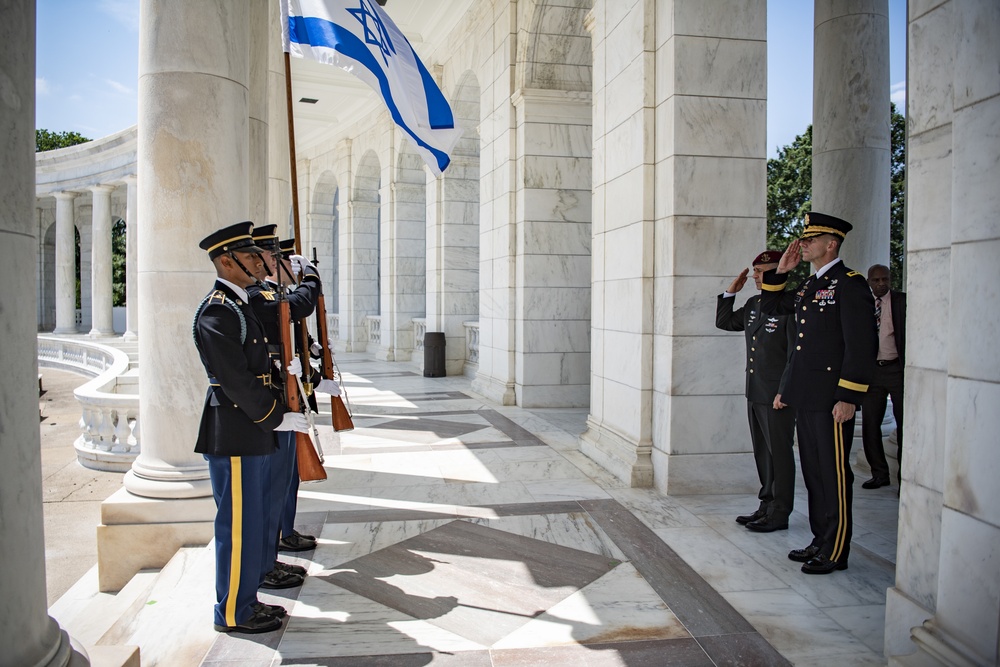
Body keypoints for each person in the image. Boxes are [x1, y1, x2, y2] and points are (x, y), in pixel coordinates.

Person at [193, 221, 310, 633]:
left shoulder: (240, 305)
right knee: (238, 526)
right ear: (226, 261)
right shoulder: (218, 310)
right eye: (251, 256)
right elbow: (237, 380)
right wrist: (276, 416)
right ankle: (232, 612)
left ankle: (249, 598)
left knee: (254, 517)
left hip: (252, 427)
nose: (262, 262)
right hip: (238, 429)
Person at [760, 212, 877, 575]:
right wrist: (782, 272)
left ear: (832, 243)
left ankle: (836, 549)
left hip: (832, 399)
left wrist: (849, 396)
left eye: (813, 238)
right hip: (807, 396)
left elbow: (860, 345)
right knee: (813, 472)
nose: (804, 242)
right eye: (804, 237)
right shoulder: (811, 285)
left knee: (834, 473)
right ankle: (819, 539)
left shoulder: (850, 283)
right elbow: (774, 308)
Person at [247, 227, 332, 565]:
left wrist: (312, 369)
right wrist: (311, 277)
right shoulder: (259, 294)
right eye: (276, 257)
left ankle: (285, 530)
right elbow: (299, 305)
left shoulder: (270, 292)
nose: (282, 264)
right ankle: (275, 543)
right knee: (276, 479)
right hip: (276, 399)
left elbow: (293, 331)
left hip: (290, 391)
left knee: (288, 476)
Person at [716, 250, 796, 532]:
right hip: (755, 390)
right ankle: (766, 505)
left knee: (780, 455)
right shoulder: (753, 304)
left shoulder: (791, 305)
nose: (756, 278)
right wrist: (730, 293)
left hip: (777, 396)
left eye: (763, 272)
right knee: (763, 453)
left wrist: (785, 391)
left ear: (779, 271)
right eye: (756, 273)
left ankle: (780, 512)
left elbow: (794, 356)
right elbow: (724, 323)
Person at [860, 264, 906, 489]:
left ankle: (904, 480)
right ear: (869, 281)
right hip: (872, 372)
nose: (881, 284)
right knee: (870, 425)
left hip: (896, 369)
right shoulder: (863, 304)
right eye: (876, 280)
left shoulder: (901, 302)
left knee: (904, 423)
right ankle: (880, 474)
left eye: (885, 279)